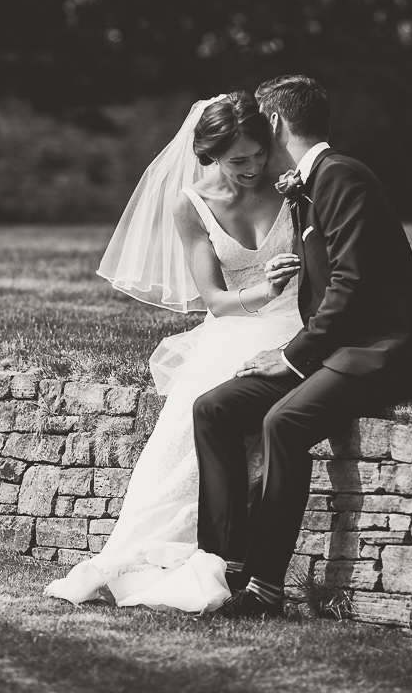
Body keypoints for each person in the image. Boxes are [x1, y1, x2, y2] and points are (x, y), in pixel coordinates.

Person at [194, 75, 412, 617]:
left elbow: (354, 286)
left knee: (283, 423)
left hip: (384, 349)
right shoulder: (308, 183)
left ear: (273, 124)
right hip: (337, 347)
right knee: (214, 409)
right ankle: (221, 566)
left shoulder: (340, 177)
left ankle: (266, 590)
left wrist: (292, 355)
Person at [43, 92, 303, 612]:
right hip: (240, 322)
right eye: (238, 161)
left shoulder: (290, 185)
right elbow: (214, 300)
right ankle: (164, 555)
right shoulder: (191, 204)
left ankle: (235, 557)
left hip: (301, 320)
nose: (252, 168)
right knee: (188, 426)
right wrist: (265, 292)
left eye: (257, 155)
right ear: (210, 157)